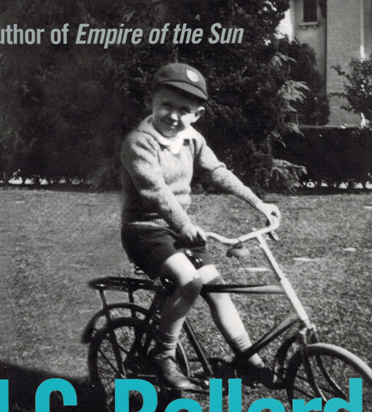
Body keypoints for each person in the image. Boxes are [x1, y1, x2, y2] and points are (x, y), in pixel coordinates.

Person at [120, 63, 280, 390]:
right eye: (166, 105)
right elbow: (156, 192)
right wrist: (184, 225)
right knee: (189, 282)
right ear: (151, 101)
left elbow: (217, 171)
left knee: (216, 288)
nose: (173, 116)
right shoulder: (139, 141)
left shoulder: (192, 139)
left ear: (197, 115)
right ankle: (162, 356)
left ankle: (248, 359)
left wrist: (258, 203)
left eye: (184, 110)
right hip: (145, 231)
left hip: (179, 231)